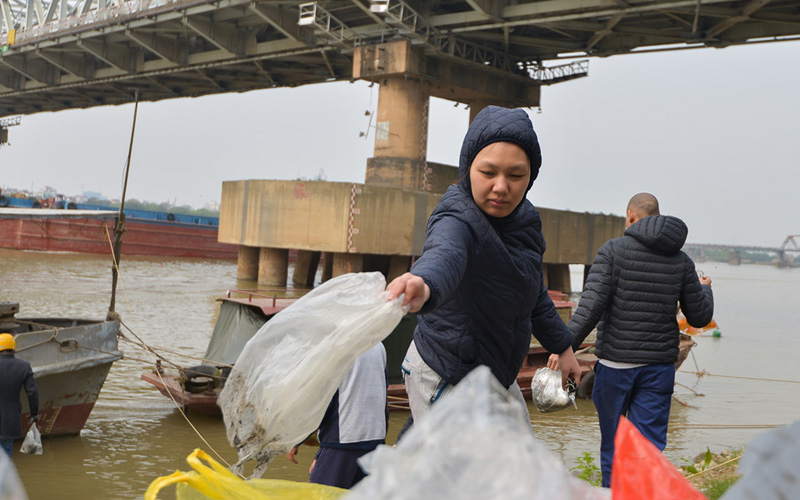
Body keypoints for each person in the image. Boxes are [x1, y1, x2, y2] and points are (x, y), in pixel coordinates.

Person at [385, 105, 582, 425]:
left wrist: (563, 346)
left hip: (495, 376)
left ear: (531, 176)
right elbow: (444, 254)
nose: (502, 187)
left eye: (516, 175)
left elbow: (531, 291)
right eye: (488, 173)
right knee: (465, 473)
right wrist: (424, 284)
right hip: (447, 372)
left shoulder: (526, 220)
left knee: (521, 471)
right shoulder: (457, 217)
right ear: (468, 169)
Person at [550, 192, 714, 487]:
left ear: (631, 216)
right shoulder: (681, 261)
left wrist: (564, 347)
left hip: (614, 367)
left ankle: (612, 493)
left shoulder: (612, 250)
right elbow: (700, 318)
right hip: (658, 368)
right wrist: (705, 290)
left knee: (613, 445)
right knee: (647, 448)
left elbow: (590, 307)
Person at [285, 343, 388, 489]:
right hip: (374, 440)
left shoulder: (337, 344)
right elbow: (383, 395)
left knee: (321, 494)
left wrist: (298, 438)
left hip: (343, 440)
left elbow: (320, 400)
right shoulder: (378, 345)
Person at [0, 333, 39, 458]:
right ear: (13, 348)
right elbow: (32, 392)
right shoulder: (24, 366)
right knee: (5, 455)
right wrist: (34, 414)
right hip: (9, 421)